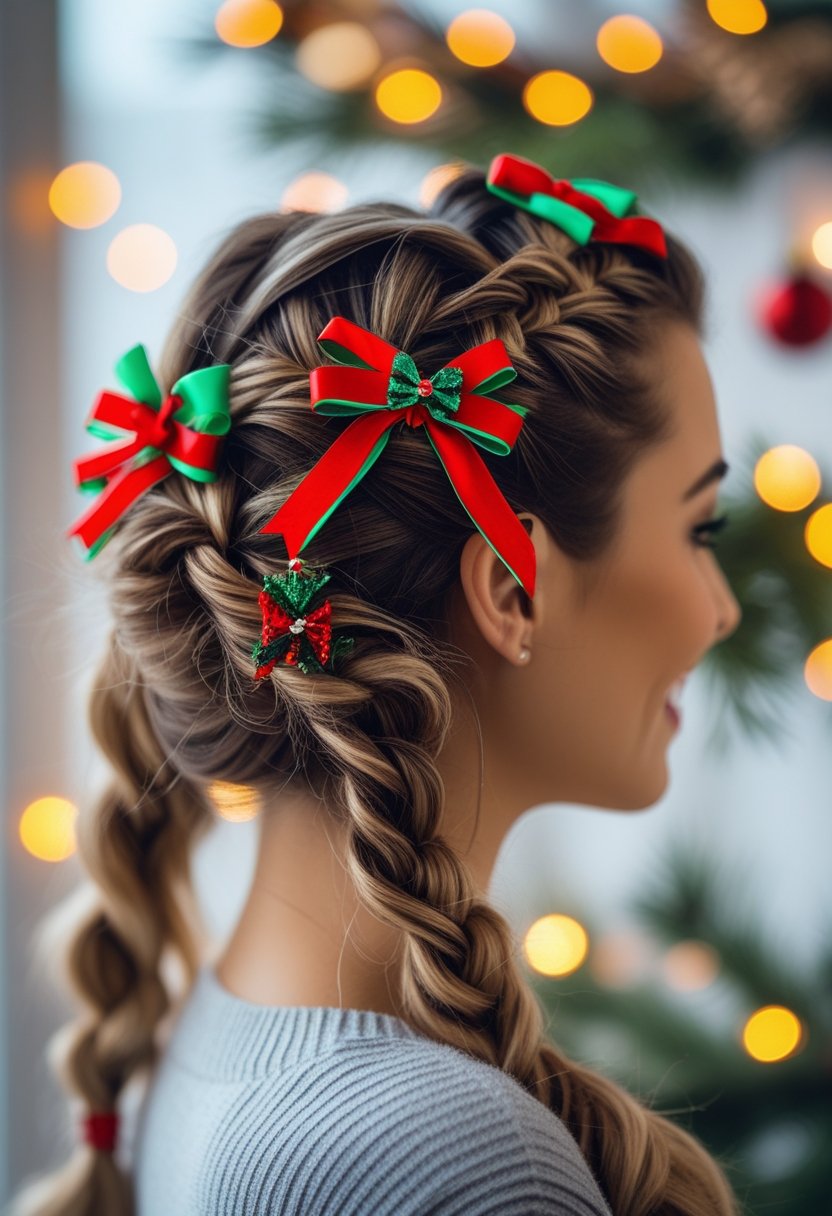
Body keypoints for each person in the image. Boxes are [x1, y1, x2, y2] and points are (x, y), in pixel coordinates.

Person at [10, 154, 743, 1216]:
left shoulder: (220, 1035)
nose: (718, 607)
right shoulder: (461, 1166)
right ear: (511, 588)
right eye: (697, 526)